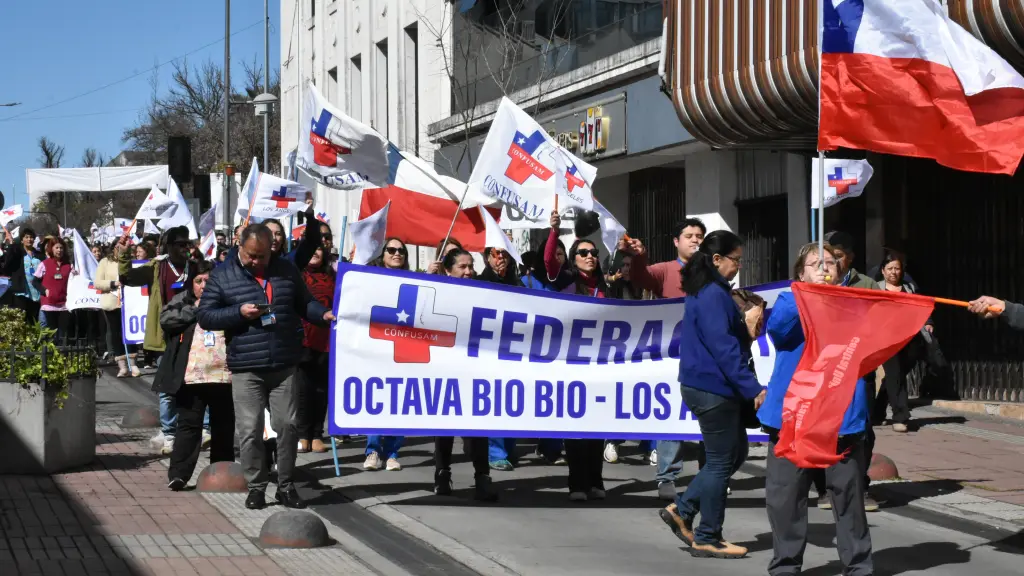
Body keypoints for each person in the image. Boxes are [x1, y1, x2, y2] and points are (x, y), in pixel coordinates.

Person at [198, 223, 333, 510]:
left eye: (263, 257)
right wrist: (238, 312)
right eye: (251, 256)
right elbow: (206, 316)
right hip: (247, 366)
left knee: (287, 426)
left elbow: (304, 303)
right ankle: (257, 486)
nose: (257, 262)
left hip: (284, 363)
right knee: (250, 430)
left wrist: (324, 314)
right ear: (240, 247)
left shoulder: (285, 269)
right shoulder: (223, 275)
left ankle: (285, 485)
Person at [757, 243, 874, 575]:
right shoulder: (790, 299)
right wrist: (809, 295)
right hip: (793, 418)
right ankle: (786, 566)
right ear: (800, 272)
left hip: (841, 418)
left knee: (849, 497)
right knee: (786, 497)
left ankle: (859, 567)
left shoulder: (854, 304)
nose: (824, 268)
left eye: (831, 263)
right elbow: (779, 330)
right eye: (815, 263)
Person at [658, 230, 764, 559]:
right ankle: (708, 535)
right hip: (712, 388)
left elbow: (727, 340)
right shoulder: (713, 294)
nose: (738, 267)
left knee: (735, 453)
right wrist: (752, 387)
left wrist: (746, 329)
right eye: (736, 260)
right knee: (720, 462)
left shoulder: (711, 290)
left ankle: (684, 508)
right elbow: (724, 348)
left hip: (709, 385)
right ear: (717, 260)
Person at [619, 218, 707, 501]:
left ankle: (711, 475)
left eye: (699, 236)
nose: (695, 240)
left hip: (705, 356)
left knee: (710, 416)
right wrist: (638, 256)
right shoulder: (665, 270)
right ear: (676, 242)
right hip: (671, 359)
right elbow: (641, 278)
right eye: (689, 235)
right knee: (673, 417)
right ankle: (667, 476)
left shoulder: (711, 272)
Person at [545, 211, 608, 501]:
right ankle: (576, 484)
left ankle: (596, 482)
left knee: (598, 426)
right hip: (572, 364)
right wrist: (553, 232)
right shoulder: (566, 281)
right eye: (583, 252)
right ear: (574, 258)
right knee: (576, 427)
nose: (590, 256)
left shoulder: (605, 286)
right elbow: (549, 262)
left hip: (600, 364)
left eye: (593, 252)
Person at [118, 227, 196, 456]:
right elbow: (128, 278)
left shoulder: (195, 267)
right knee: (167, 387)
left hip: (192, 332)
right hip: (165, 335)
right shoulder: (157, 267)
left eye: (187, 244)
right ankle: (169, 432)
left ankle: (200, 429)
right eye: (180, 245)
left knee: (196, 384)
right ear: (168, 247)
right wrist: (124, 255)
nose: (185, 249)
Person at [157, 261, 235, 490]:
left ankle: (221, 472)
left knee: (223, 426)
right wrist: (198, 308)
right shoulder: (183, 300)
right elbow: (166, 320)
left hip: (223, 376)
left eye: (208, 281)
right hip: (191, 377)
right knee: (189, 426)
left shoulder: (226, 300)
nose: (203, 285)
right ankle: (179, 475)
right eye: (198, 281)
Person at [431, 247, 499, 501]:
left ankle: (482, 476)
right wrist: (429, 278)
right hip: (446, 367)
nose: (468, 271)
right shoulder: (438, 293)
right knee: (445, 426)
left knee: (477, 424)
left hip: (474, 368)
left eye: (471, 266)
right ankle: (442, 473)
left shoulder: (481, 292)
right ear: (448, 270)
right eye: (462, 267)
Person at [363, 237, 410, 471]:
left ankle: (392, 452)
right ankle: (372, 451)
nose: (397, 253)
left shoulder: (414, 280)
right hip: (378, 348)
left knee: (399, 402)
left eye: (401, 250)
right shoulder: (372, 280)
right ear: (383, 254)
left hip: (404, 350)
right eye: (391, 249)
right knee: (377, 400)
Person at [874, 250, 930, 433]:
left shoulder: (910, 288)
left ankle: (876, 412)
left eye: (897, 268)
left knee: (894, 376)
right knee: (895, 374)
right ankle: (901, 416)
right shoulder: (876, 288)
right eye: (889, 268)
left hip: (910, 339)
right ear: (883, 271)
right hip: (887, 340)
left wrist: (928, 323)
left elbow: (922, 307)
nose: (893, 272)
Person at [296, 246, 333, 453]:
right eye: (312, 246)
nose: (315, 251)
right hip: (302, 338)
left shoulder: (333, 275)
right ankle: (302, 434)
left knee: (321, 389)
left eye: (320, 247)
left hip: (326, 337)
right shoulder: (297, 273)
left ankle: (317, 433)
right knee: (303, 389)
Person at [95, 241, 139, 377]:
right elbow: (97, 282)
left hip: (128, 303)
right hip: (112, 302)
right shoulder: (105, 262)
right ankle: (122, 366)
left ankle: (133, 364)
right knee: (116, 333)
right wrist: (113, 283)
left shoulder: (130, 261)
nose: (120, 250)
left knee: (129, 333)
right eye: (118, 248)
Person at [0, 227, 42, 325]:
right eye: (26, 237)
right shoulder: (17, 253)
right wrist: (11, 244)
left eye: (31, 237)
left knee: (34, 321)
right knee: (21, 322)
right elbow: (7, 264)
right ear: (22, 240)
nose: (29, 239)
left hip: (36, 294)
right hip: (21, 293)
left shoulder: (39, 255)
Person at [35, 237, 73, 343]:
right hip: (48, 304)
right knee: (46, 332)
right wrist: (44, 291)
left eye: (61, 248)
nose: (59, 250)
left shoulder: (69, 266)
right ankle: (45, 355)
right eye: (57, 248)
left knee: (61, 334)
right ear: (52, 249)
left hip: (63, 305)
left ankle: (60, 355)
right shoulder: (44, 264)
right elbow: (35, 281)